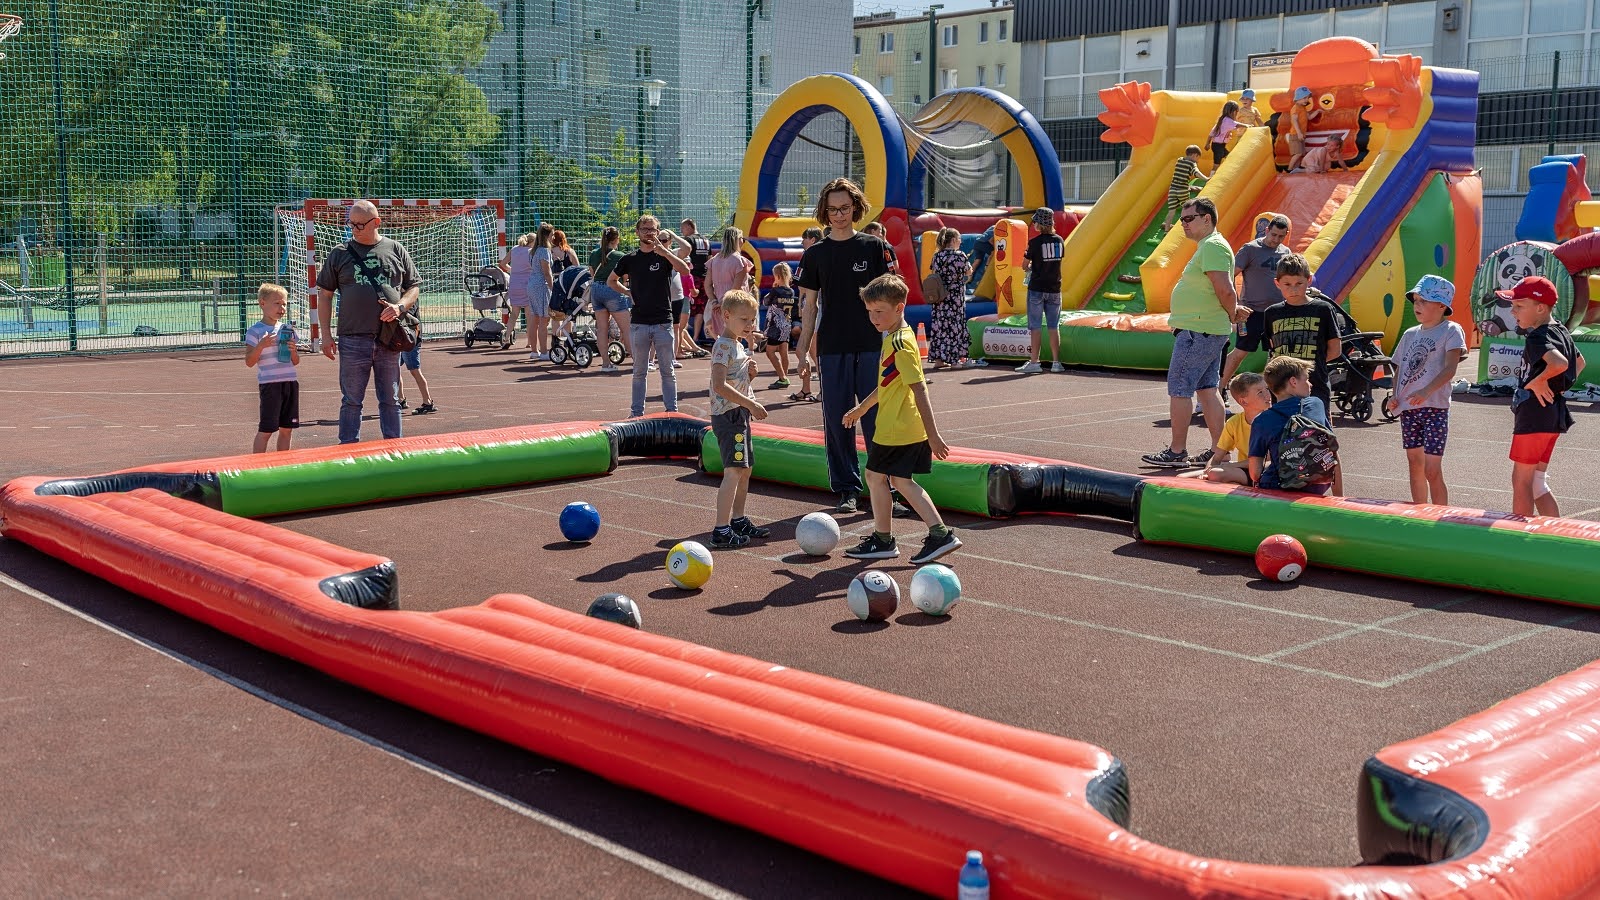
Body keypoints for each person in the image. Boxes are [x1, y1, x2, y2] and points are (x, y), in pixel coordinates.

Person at [796, 177, 899, 514]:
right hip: (832, 347)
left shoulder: (874, 247)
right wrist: (803, 348)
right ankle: (847, 489)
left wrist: (898, 340)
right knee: (838, 420)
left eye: (844, 208)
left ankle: (888, 487)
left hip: (872, 345)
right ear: (824, 212)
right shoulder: (815, 254)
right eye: (833, 209)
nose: (839, 215)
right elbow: (809, 306)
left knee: (878, 419)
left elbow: (894, 297)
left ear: (855, 207)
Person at [840, 274, 961, 564]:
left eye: (879, 311)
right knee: (898, 480)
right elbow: (887, 384)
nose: (873, 318)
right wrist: (862, 408)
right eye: (869, 311)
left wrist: (933, 435)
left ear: (899, 308)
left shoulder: (900, 344)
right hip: (900, 426)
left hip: (898, 428)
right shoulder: (896, 337)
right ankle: (928, 535)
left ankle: (899, 538)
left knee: (877, 477)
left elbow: (920, 388)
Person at [317, 199, 421, 444]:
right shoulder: (339, 253)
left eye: (360, 225)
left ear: (376, 222)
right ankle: (348, 450)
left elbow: (414, 287)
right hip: (352, 338)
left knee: (391, 400)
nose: (354, 229)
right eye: (351, 224)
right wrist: (326, 335)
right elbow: (325, 295)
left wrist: (399, 307)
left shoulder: (395, 249)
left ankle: (394, 449)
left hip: (389, 337)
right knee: (351, 401)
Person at [1142, 198, 1235, 469]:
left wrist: (1232, 313)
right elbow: (1221, 290)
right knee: (1207, 389)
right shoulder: (1211, 245)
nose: (1183, 224)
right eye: (1182, 219)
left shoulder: (1213, 246)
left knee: (1180, 388)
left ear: (1207, 219)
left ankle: (1177, 451)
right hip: (1205, 329)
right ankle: (1219, 451)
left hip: (1198, 330)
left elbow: (1225, 288)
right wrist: (1232, 313)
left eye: (1188, 219)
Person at [1501, 275, 1584, 517]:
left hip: (1534, 416)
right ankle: (1555, 534)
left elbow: (1560, 363)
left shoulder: (1538, 336)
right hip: (1552, 415)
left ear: (1540, 308)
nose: (1513, 311)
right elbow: (1579, 363)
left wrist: (1537, 382)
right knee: (1538, 482)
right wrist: (1559, 386)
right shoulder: (1562, 332)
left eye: (1519, 306)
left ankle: (1520, 533)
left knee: (1521, 481)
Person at [1385, 275, 1466, 505]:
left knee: (1432, 469)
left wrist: (1426, 391)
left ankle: (1441, 517)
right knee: (1414, 465)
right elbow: (1399, 369)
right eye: (1416, 300)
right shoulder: (1410, 334)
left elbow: (1450, 369)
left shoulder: (1451, 330)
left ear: (1442, 305)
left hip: (1435, 409)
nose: (1417, 305)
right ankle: (1419, 513)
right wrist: (1394, 395)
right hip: (1409, 409)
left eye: (1424, 300)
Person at [609, 214, 692, 417]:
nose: (649, 233)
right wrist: (627, 292)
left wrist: (665, 252)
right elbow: (611, 280)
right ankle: (636, 413)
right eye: (645, 229)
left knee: (667, 371)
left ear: (658, 231)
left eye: (652, 229)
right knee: (639, 372)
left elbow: (684, 270)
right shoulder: (629, 259)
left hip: (663, 322)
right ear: (637, 232)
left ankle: (672, 412)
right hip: (639, 323)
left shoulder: (664, 256)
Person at [707, 289, 771, 550]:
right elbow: (719, 385)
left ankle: (738, 520)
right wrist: (751, 404)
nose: (749, 325)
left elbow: (735, 382)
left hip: (739, 413)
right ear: (726, 315)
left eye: (752, 320)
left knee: (744, 470)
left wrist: (750, 376)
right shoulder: (723, 346)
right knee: (733, 471)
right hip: (729, 415)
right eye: (744, 319)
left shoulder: (738, 345)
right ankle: (721, 529)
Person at [1261, 253, 1341, 413]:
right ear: (1277, 283)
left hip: (1315, 384)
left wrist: (1308, 366)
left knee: (1317, 427)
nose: (1293, 289)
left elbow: (1335, 350)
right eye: (1287, 284)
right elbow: (1272, 351)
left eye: (1299, 283)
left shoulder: (1323, 309)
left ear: (1309, 280)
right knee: (1284, 426)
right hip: (1282, 388)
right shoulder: (1271, 313)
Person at [1221, 214, 1293, 392]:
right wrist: (1235, 304)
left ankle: (1274, 394)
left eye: (1280, 236)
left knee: (1278, 354)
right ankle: (1219, 388)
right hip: (1251, 312)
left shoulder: (1286, 252)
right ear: (1267, 230)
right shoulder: (1250, 249)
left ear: (1286, 235)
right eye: (1273, 234)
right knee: (1240, 351)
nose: (1275, 239)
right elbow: (1230, 276)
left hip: (1276, 312)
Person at [1248, 355, 1336, 494]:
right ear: (1293, 382)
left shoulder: (1262, 420)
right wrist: (1339, 497)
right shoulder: (1316, 404)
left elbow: (1255, 473)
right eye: (1306, 379)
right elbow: (1332, 452)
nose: (1310, 384)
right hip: (1317, 486)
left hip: (1279, 489)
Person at [1184, 371, 1272, 484]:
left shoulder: (1273, 421)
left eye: (1267, 389)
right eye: (1260, 392)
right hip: (1243, 469)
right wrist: (1206, 472)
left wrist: (1230, 466)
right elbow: (1217, 457)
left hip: (1265, 471)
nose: (1268, 395)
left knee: (1217, 474)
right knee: (1182, 477)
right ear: (1243, 401)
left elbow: (1267, 460)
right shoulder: (1234, 423)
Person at [244, 283, 300, 453]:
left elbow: (295, 361)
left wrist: (293, 350)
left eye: (284, 304)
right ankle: (258, 464)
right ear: (262, 303)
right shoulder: (255, 331)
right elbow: (249, 361)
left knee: (287, 429)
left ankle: (282, 463)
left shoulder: (287, 329)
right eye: (277, 303)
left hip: (290, 382)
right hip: (270, 385)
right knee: (266, 430)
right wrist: (261, 345)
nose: (281, 308)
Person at [1020, 208, 1064, 374]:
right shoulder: (1059, 240)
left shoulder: (1035, 242)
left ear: (1039, 224)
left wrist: (1031, 266)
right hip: (1054, 288)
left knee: (1035, 326)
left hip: (1037, 288)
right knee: (1053, 326)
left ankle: (1034, 362)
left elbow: (1024, 265)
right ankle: (1056, 362)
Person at [589, 226, 632, 373]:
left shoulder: (594, 254)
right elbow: (625, 277)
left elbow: (592, 273)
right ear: (616, 239)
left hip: (596, 290)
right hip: (612, 289)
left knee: (602, 329)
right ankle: (637, 361)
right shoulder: (620, 255)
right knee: (626, 328)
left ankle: (606, 363)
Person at [928, 227, 972, 370]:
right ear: (953, 240)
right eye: (959, 239)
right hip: (955, 297)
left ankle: (939, 359)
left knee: (940, 326)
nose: (960, 242)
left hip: (939, 296)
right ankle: (954, 360)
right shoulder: (960, 256)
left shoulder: (937, 256)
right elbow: (968, 272)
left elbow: (934, 271)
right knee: (955, 325)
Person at [789, 227, 825, 401]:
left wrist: (802, 302)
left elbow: (803, 284)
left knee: (812, 350)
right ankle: (806, 389)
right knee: (807, 350)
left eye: (805, 238)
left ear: (812, 239)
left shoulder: (813, 254)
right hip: (813, 305)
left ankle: (822, 389)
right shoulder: (815, 254)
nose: (802, 242)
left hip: (816, 306)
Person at [705, 226, 754, 343]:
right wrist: (723, 303)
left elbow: (707, 285)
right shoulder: (740, 261)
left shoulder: (714, 260)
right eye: (742, 239)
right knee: (736, 339)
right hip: (737, 304)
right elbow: (736, 288)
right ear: (737, 240)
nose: (743, 241)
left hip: (719, 306)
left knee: (724, 338)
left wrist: (715, 302)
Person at [680, 218, 714, 348]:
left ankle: (683, 337)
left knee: (686, 305)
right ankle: (695, 337)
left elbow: (683, 256)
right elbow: (709, 259)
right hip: (704, 278)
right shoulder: (706, 240)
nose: (682, 231)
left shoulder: (688, 240)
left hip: (692, 277)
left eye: (683, 228)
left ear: (689, 227)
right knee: (700, 308)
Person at [763, 261, 797, 389]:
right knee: (784, 352)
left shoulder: (775, 291)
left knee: (770, 352)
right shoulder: (791, 291)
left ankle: (783, 378)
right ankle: (784, 377)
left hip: (776, 326)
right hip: (786, 324)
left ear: (777, 276)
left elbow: (766, 302)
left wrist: (773, 288)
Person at [525, 223, 555, 361]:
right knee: (543, 320)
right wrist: (553, 288)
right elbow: (547, 272)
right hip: (542, 286)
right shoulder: (544, 251)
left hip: (532, 284)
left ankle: (534, 351)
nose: (553, 237)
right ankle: (543, 351)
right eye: (552, 235)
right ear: (547, 235)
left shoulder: (533, 251)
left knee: (534, 318)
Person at [501, 232, 534, 350]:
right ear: (532, 242)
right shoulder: (531, 252)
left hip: (514, 285)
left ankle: (506, 338)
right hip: (526, 285)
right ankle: (530, 341)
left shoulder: (515, 249)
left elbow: (503, 264)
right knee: (529, 316)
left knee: (514, 314)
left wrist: (513, 270)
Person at [1162, 146, 1207, 230]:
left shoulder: (1179, 160)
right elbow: (1196, 173)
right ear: (1194, 155)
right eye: (1197, 158)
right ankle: (1190, 226)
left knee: (1171, 211)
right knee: (1188, 208)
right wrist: (1206, 179)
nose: (1197, 160)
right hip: (1182, 189)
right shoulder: (1192, 163)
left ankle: (1166, 230)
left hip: (1172, 189)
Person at [394, 333, 437, 415]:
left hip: (409, 342)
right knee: (395, 369)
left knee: (415, 371)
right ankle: (401, 400)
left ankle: (427, 402)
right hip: (400, 341)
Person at [1208, 100, 1246, 166]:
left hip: (1219, 146)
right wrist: (1246, 125)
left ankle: (1220, 171)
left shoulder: (1222, 120)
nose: (1237, 114)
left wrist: (1208, 143)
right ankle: (1213, 173)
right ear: (1234, 112)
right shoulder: (1227, 120)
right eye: (1237, 111)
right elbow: (1236, 124)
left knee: (1229, 158)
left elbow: (1212, 133)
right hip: (1218, 146)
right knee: (1216, 164)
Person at [1285, 86, 1313, 173]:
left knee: (1300, 153)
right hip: (1295, 134)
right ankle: (1289, 169)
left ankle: (1295, 169)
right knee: (1298, 153)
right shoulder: (1296, 108)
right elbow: (1294, 120)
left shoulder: (1303, 108)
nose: (1307, 100)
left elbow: (1309, 117)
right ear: (1298, 98)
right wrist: (1299, 133)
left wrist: (1318, 112)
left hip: (1301, 134)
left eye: (1307, 98)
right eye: (1304, 98)